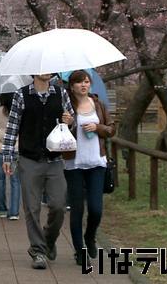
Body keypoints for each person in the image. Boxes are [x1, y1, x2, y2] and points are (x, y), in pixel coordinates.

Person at [2, 73, 75, 270]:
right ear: (33, 71)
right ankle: (38, 251)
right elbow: (12, 128)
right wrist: (7, 156)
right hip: (29, 159)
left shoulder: (61, 93)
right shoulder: (21, 95)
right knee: (32, 208)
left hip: (55, 159)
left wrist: (69, 120)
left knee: (59, 205)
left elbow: (70, 122)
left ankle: (49, 240)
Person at [62, 70, 115, 265]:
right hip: (74, 164)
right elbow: (59, 133)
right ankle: (79, 252)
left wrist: (98, 127)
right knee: (77, 210)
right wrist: (67, 124)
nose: (84, 85)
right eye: (79, 82)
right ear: (72, 86)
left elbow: (111, 129)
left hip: (96, 163)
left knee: (96, 209)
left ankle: (90, 237)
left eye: (86, 82)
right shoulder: (67, 105)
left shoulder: (98, 104)